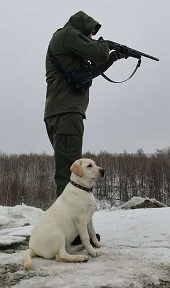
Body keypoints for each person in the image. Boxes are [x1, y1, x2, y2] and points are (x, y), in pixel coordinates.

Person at [44, 11, 128, 197]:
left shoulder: (65, 43)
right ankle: (65, 223)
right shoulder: (67, 34)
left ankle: (67, 220)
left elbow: (86, 74)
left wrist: (113, 57)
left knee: (70, 170)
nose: (91, 38)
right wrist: (105, 45)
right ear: (82, 29)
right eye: (89, 34)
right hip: (66, 114)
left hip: (61, 113)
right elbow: (98, 52)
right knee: (69, 173)